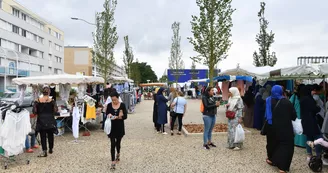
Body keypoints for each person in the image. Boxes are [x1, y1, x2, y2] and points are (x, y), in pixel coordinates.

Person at [265, 85, 296, 173]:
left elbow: (267, 114)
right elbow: (293, 116)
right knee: (286, 146)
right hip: (285, 128)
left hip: (272, 127)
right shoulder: (286, 102)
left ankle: (272, 160)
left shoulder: (268, 100)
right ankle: (282, 167)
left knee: (273, 144)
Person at [33, 86, 58, 157]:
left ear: (42, 92)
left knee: (43, 136)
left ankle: (44, 151)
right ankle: (50, 148)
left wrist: (37, 105)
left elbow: (34, 111)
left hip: (41, 120)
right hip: (50, 120)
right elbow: (56, 110)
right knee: (50, 135)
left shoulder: (38, 100)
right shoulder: (52, 100)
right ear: (49, 92)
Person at [106, 91, 128, 170]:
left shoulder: (122, 105)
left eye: (115, 100)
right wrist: (109, 115)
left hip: (119, 127)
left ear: (118, 98)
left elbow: (125, 116)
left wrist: (119, 117)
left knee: (117, 143)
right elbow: (107, 113)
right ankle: (113, 162)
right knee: (112, 144)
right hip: (111, 127)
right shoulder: (109, 105)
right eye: (112, 100)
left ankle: (118, 153)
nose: (114, 101)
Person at [300, 85, 322, 162]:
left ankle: (309, 154)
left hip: (305, 121)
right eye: (312, 90)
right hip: (311, 121)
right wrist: (318, 108)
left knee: (309, 138)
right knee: (319, 137)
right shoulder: (309, 99)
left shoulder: (302, 98)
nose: (314, 92)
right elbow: (314, 109)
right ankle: (318, 154)